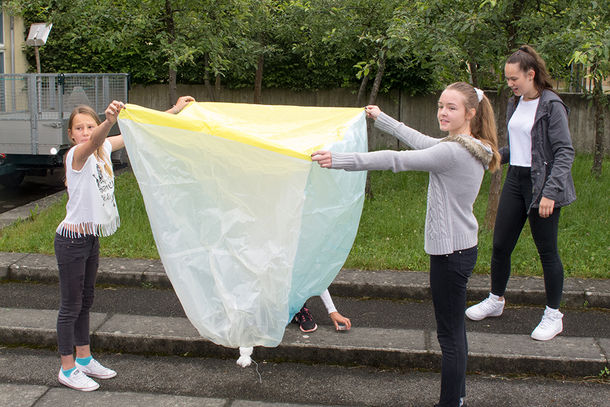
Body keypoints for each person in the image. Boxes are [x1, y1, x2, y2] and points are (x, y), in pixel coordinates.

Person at [312, 82, 499, 407]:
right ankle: (457, 397)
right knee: (455, 332)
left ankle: (450, 402)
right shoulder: (470, 145)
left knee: (450, 337)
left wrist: (339, 159)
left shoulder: (453, 151)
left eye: (451, 107)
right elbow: (420, 141)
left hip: (450, 253)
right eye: (440, 105)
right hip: (461, 249)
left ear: (470, 112)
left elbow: (396, 159)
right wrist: (382, 119)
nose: (442, 112)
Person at [55, 96, 195, 391]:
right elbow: (95, 141)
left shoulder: (103, 148)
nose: (84, 132)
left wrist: (174, 110)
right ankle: (67, 369)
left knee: (85, 301)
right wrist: (107, 122)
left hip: (89, 237)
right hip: (70, 241)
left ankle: (84, 359)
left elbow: (137, 129)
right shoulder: (76, 155)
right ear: (71, 135)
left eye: (89, 126)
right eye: (79, 128)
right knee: (70, 307)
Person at [465, 45, 576, 342]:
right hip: (516, 179)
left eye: (514, 78)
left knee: (547, 251)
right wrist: (491, 155)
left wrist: (550, 193)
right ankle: (496, 300)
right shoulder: (515, 103)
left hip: (543, 185)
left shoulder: (552, 105)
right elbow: (521, 148)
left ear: (531, 74)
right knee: (500, 245)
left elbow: (564, 152)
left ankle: (553, 315)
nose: (510, 84)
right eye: (508, 79)